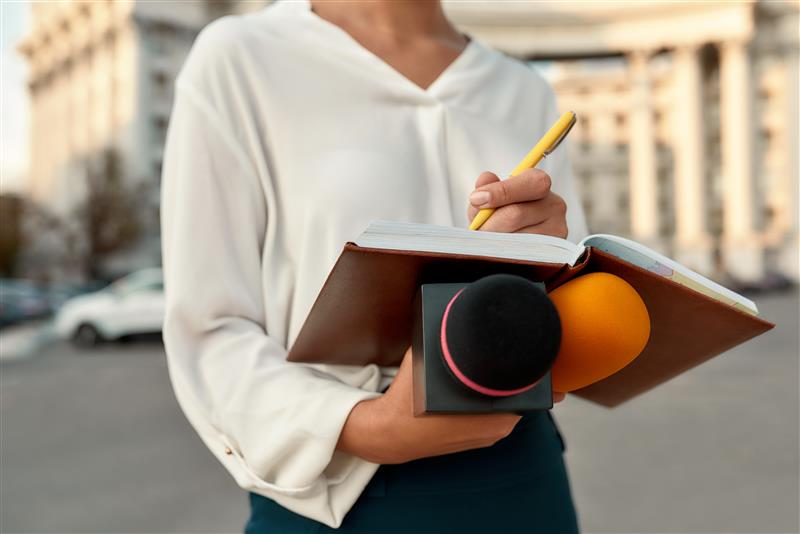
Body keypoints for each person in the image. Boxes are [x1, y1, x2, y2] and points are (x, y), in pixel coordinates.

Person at [160, 0, 588, 532]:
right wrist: (373, 428)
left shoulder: (523, 89)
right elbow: (209, 326)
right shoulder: (241, 56)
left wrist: (552, 258)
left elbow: (568, 306)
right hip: (341, 489)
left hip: (521, 472)